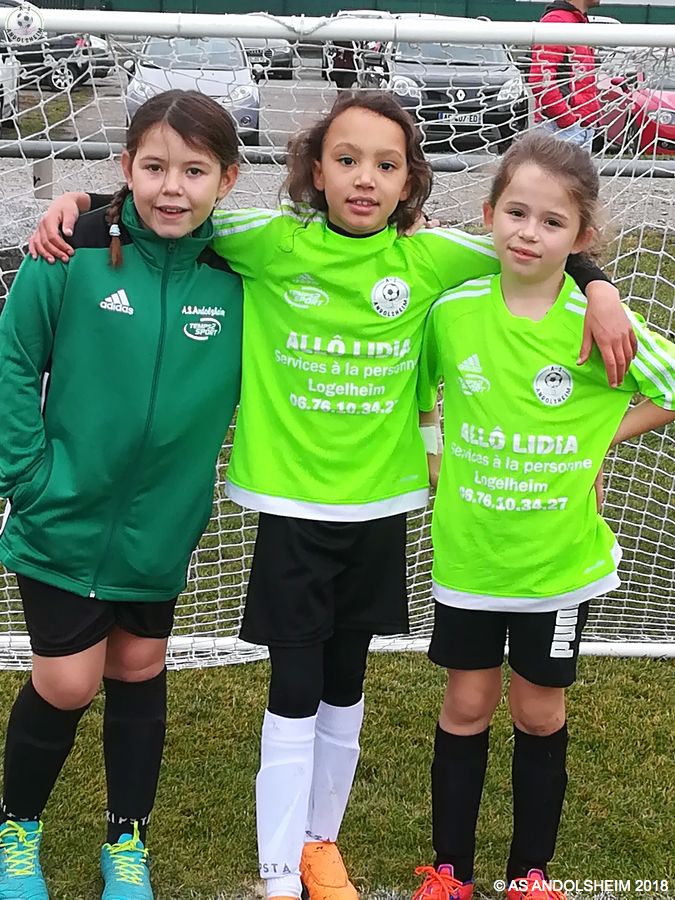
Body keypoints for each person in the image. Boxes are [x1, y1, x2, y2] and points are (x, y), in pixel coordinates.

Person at [28, 92, 634, 900]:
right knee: (292, 688)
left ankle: (321, 845)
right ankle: (279, 867)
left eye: (385, 165)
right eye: (346, 160)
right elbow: (173, 205)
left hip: (379, 511)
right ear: (316, 169)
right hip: (292, 514)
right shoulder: (267, 241)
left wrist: (599, 287)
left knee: (346, 686)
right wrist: (83, 205)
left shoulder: (435, 258)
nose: (364, 179)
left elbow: (533, 245)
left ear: (409, 181)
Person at [414, 132, 675, 900]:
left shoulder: (596, 324)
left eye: (552, 221)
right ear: (488, 214)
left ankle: (530, 875)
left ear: (582, 236)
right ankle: (449, 873)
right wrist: (434, 460)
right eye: (516, 213)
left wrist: (597, 441)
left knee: (536, 712)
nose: (529, 233)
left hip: (556, 564)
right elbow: (418, 395)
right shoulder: (451, 313)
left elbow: (668, 387)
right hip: (469, 555)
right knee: (465, 705)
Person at [0, 89, 243, 900]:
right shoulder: (67, 250)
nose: (172, 188)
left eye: (194, 171)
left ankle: (125, 840)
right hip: (62, 514)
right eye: (154, 167)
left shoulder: (242, 273)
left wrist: (585, 275)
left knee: (139, 668)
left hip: (161, 527)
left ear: (228, 180)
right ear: (125, 168)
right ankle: (17, 832)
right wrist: (28, 475)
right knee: (68, 683)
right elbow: (13, 361)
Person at [529, 0, 602, 150]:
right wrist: (566, 119)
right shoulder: (557, 21)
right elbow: (541, 79)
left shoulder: (578, 21)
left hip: (580, 127)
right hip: (562, 129)